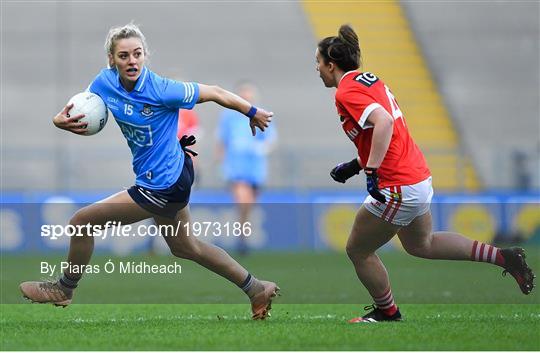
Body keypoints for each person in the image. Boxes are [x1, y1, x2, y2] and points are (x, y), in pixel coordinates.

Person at [19, 23, 279, 320]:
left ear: (145, 56)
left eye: (137, 54)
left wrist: (252, 111)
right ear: (111, 60)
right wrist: (59, 121)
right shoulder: (103, 84)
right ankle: (256, 288)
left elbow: (216, 92)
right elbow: (80, 109)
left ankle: (65, 288)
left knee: (81, 223)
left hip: (164, 183)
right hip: (161, 177)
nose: (132, 61)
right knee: (185, 246)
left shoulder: (162, 89)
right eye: (124, 56)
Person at [315, 24, 535, 323]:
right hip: (416, 175)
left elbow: (383, 123)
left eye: (318, 63)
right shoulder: (370, 81)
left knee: (358, 250)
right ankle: (503, 257)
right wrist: (355, 165)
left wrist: (370, 171)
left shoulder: (347, 89)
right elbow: (382, 131)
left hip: (397, 184)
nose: (317, 69)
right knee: (422, 244)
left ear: (331, 64)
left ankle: (388, 312)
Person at [216, 82, 277, 255]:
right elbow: (222, 141)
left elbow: (271, 139)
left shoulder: (263, 114)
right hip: (236, 167)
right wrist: (222, 164)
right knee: (244, 199)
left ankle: (243, 236)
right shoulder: (228, 116)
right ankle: (242, 238)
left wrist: (263, 148)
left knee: (249, 204)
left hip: (256, 168)